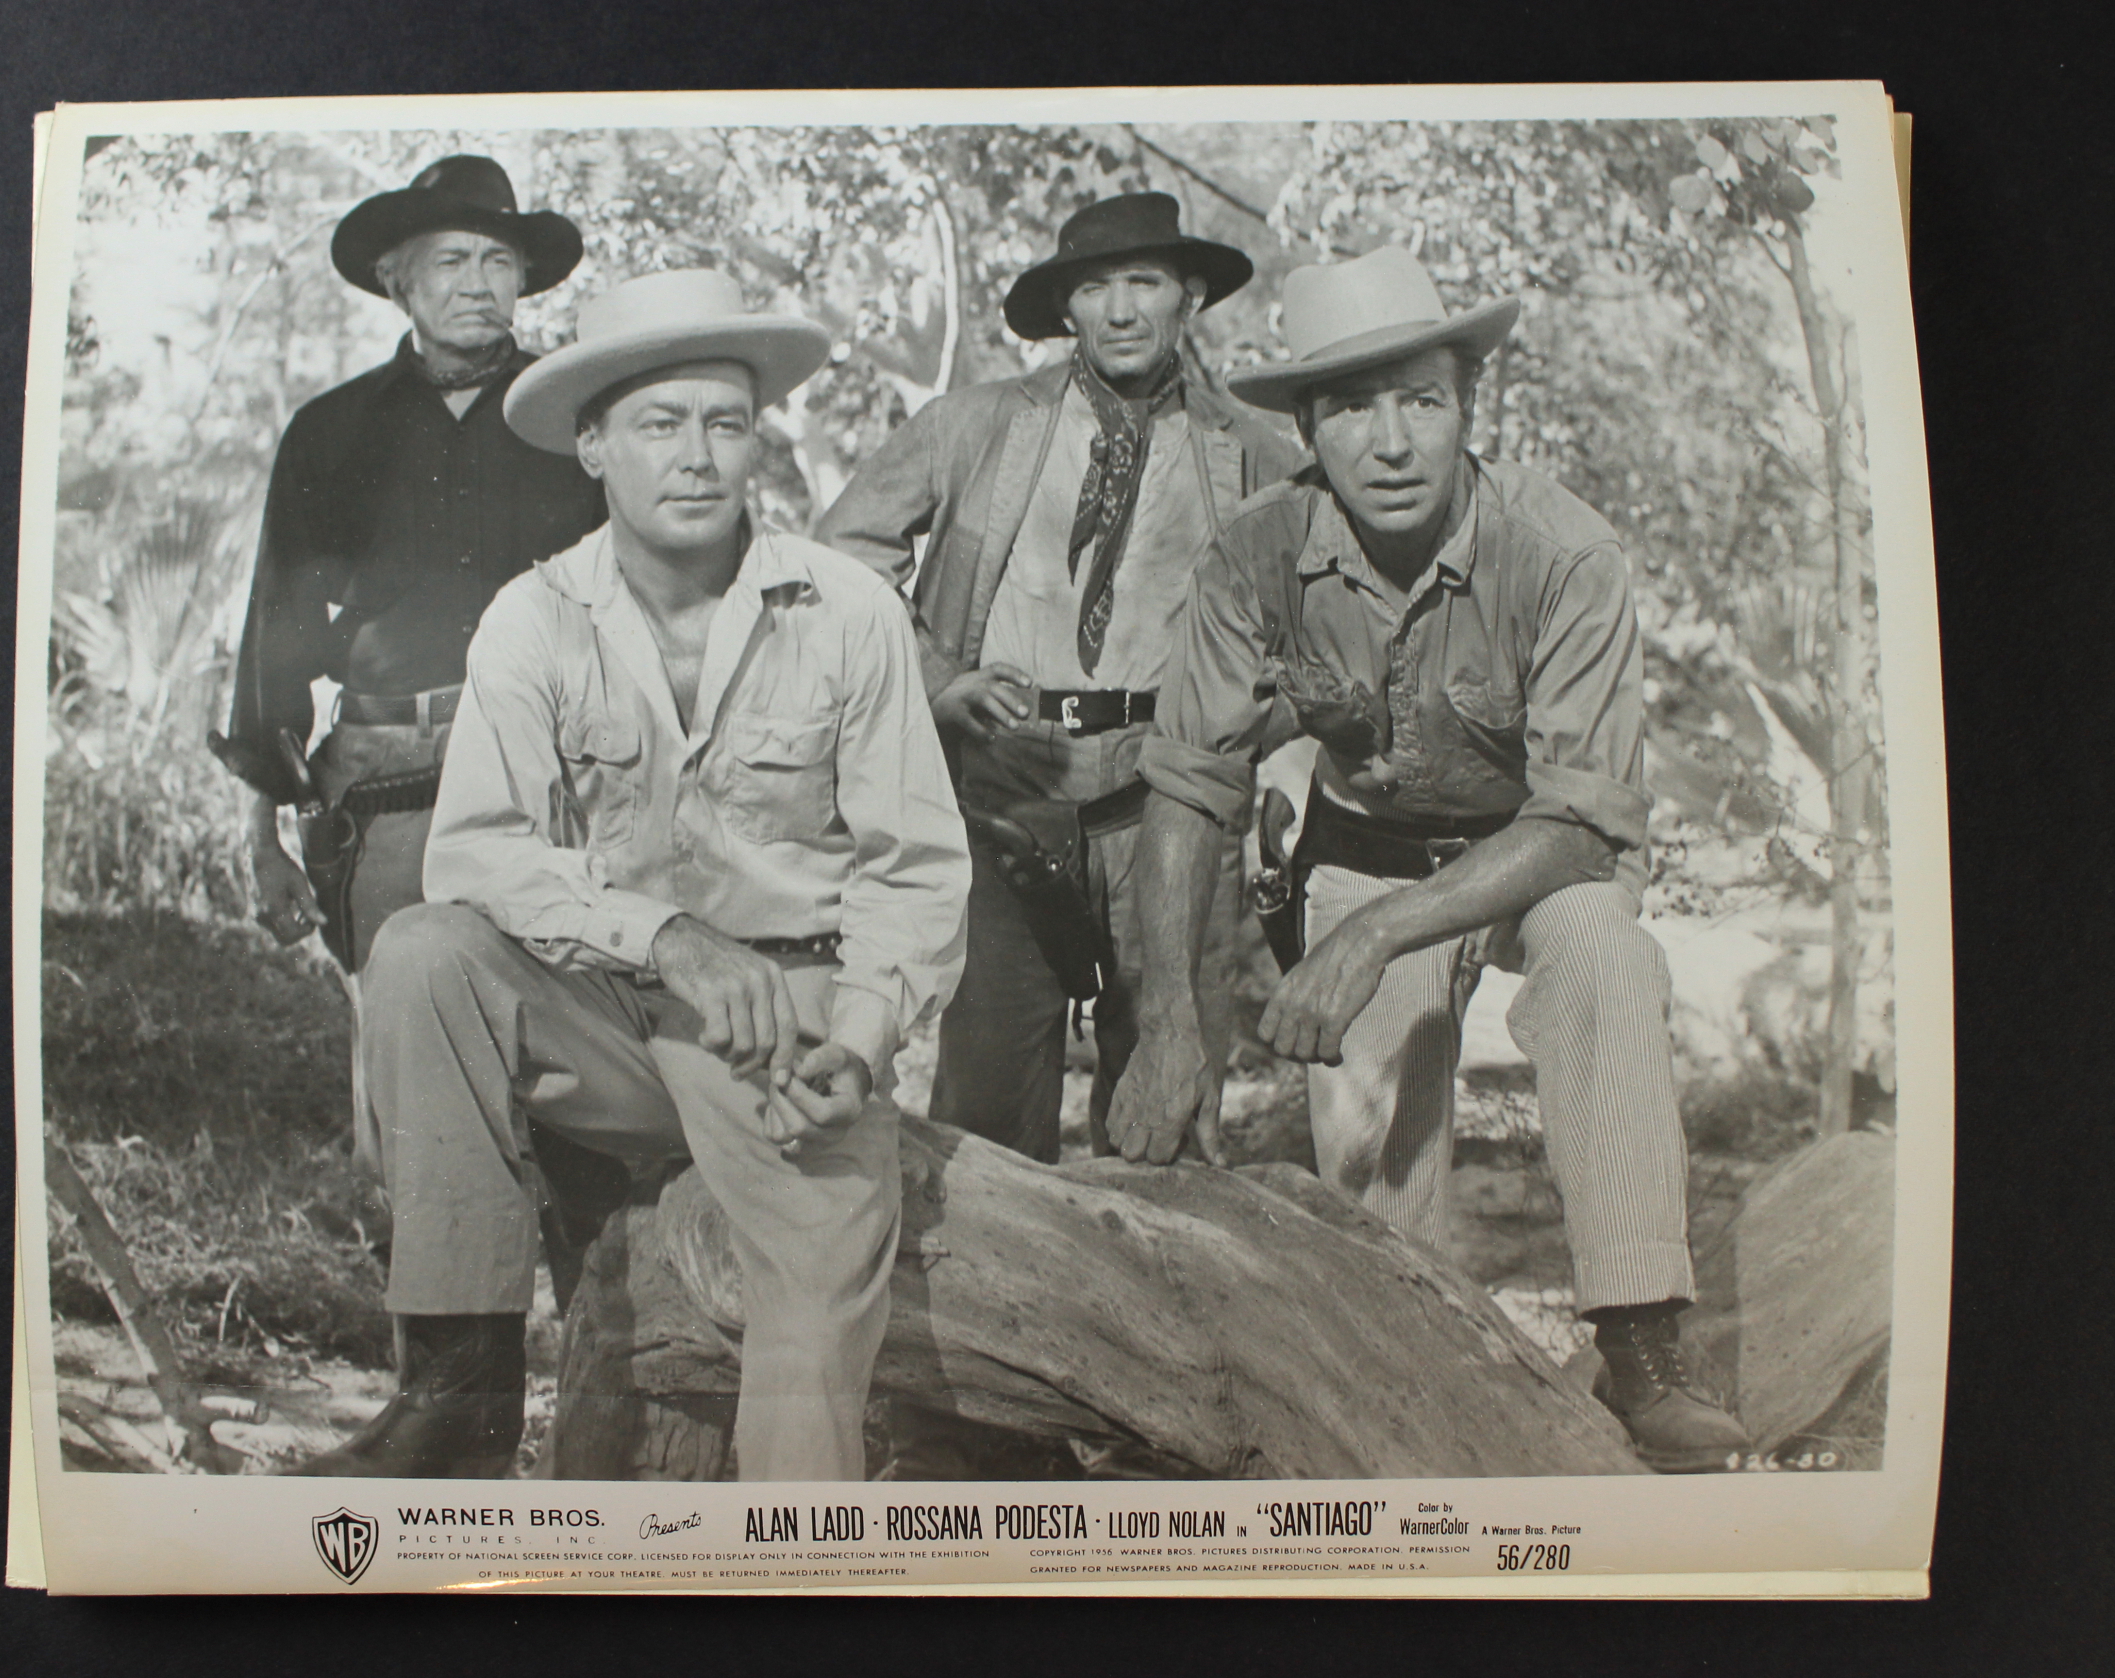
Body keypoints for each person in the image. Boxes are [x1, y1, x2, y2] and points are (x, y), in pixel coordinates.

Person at [293, 270, 969, 1481]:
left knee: (807, 1359)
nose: (697, 457)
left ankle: (781, 1586)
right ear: (593, 446)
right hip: (606, 1018)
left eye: (723, 420)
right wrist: (663, 936)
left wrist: (861, 1041)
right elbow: (477, 853)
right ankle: (457, 1390)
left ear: (755, 434)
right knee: (424, 951)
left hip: (788, 1033)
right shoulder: (532, 618)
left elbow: (914, 867)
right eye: (660, 424)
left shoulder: (851, 609)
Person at [1108, 246, 1750, 1472]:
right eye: (1351, 407)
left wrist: (1361, 936)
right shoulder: (1252, 555)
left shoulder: (1561, 551)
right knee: (1375, 1083)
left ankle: (1639, 1339)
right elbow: (1188, 788)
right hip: (1364, 846)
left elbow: (1575, 823)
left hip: (1533, 853)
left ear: (1470, 406)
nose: (1391, 442)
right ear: (1306, 427)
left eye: (1422, 400)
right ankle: (1392, 1346)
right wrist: (1169, 1022)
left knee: (1604, 956)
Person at [816, 192, 1297, 1163]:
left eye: (1144, 282)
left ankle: (1159, 1305)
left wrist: (1238, 730)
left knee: (1166, 1114)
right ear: (1065, 308)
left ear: (1189, 296)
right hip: (1006, 785)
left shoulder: (1247, 453)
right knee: (983, 1114)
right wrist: (937, 677)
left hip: (1163, 801)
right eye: (1093, 285)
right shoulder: (976, 425)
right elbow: (839, 555)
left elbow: (1308, 625)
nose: (1120, 309)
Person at [212, 155, 605, 1182]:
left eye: (499, 260)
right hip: (384, 789)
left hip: (557, 777)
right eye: (451, 260)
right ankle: (442, 1332)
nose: (480, 281)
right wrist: (261, 838)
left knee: (573, 1055)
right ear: (399, 281)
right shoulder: (331, 430)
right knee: (409, 1065)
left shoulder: (581, 420)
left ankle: (598, 1327)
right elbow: (276, 634)